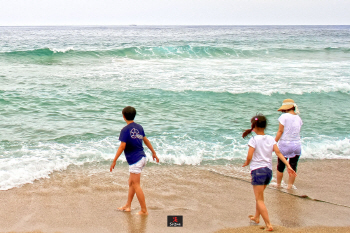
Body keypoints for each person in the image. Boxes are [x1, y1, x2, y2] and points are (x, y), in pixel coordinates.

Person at [242, 114, 296, 231]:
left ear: (254, 126)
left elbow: (250, 156)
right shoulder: (271, 139)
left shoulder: (254, 139)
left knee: (259, 199)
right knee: (260, 197)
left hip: (258, 172)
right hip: (268, 172)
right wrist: (288, 166)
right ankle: (256, 217)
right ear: (265, 126)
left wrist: (246, 162)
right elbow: (279, 153)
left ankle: (268, 225)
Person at [110, 106, 159, 215]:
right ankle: (128, 206)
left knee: (136, 184)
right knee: (131, 183)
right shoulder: (139, 127)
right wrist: (153, 152)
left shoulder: (125, 130)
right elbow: (146, 140)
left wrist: (114, 160)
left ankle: (144, 210)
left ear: (123, 116)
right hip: (141, 158)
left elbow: (122, 146)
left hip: (136, 160)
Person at [275, 99, 302, 190]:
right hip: (297, 145)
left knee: (281, 166)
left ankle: (278, 185)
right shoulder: (298, 118)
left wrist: (274, 142)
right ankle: (289, 186)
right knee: (293, 165)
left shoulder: (284, 116)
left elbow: (280, 131)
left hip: (285, 144)